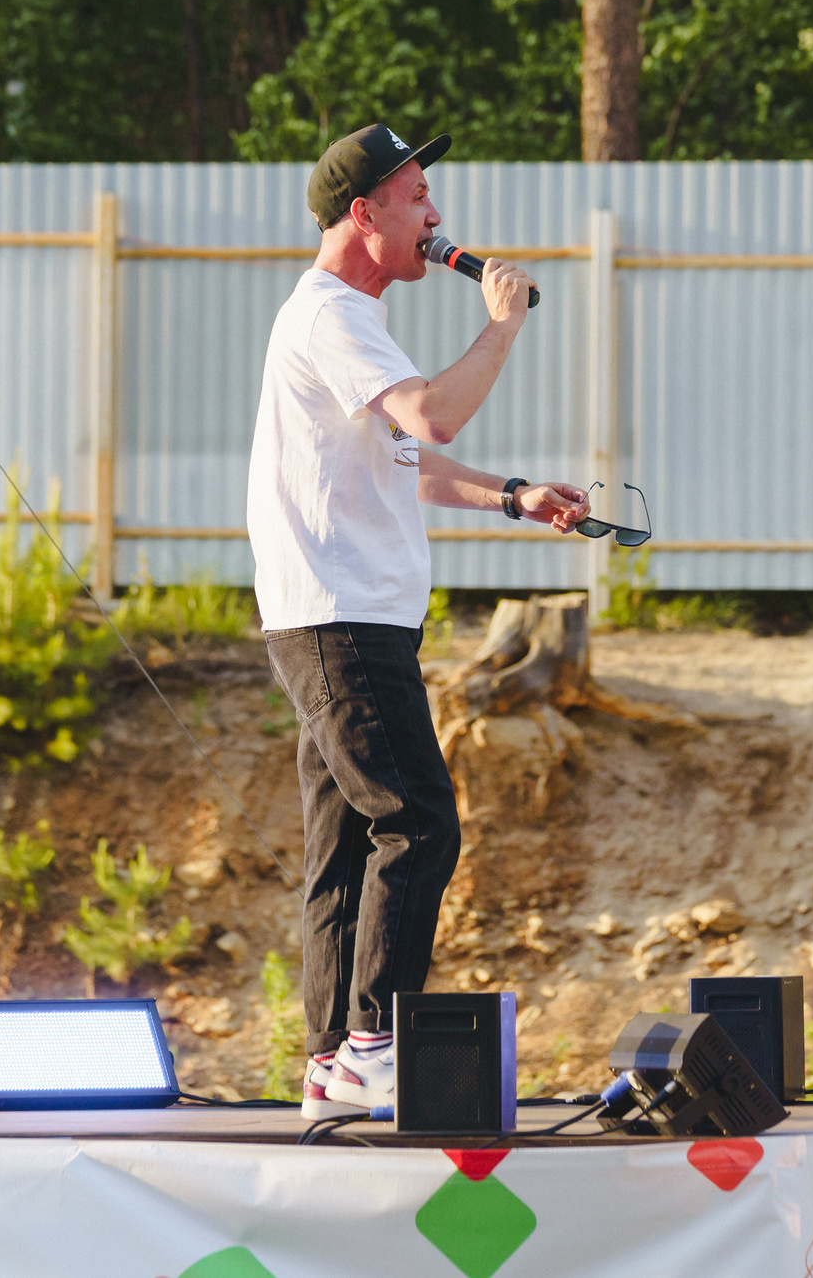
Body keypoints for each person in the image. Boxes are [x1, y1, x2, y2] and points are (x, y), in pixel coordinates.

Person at [247, 122, 591, 1122]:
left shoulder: (346, 322)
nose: (436, 219)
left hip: (341, 618)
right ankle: (371, 1048)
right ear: (365, 214)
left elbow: (409, 457)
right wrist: (502, 325)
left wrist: (513, 495)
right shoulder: (333, 316)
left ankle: (329, 1063)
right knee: (417, 822)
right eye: (417, 200)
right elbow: (434, 415)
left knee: (347, 847)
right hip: (342, 620)